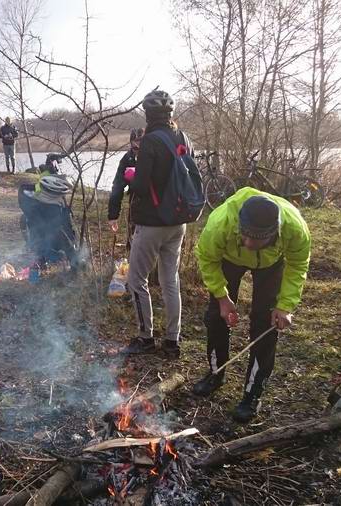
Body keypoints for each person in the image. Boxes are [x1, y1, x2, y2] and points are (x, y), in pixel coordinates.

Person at [191, 187, 311, 422]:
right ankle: (215, 374)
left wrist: (285, 306)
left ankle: (252, 393)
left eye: (256, 239)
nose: (247, 243)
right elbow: (207, 258)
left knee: (266, 325)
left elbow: (297, 266)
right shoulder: (221, 223)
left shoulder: (294, 228)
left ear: (274, 232)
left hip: (271, 264)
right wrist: (223, 298)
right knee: (217, 317)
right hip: (228, 259)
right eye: (244, 235)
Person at [122, 90, 191, 359]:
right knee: (170, 280)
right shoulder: (183, 138)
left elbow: (140, 186)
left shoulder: (150, 141)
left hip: (151, 223)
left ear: (148, 115)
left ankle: (145, 337)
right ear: (171, 114)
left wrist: (131, 176)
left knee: (137, 280)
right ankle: (172, 341)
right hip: (179, 221)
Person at [108, 128, 145, 251]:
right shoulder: (127, 158)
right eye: (134, 142)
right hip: (136, 204)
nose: (137, 145)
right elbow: (117, 187)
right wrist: (113, 216)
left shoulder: (155, 154)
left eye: (140, 141)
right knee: (133, 242)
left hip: (157, 205)